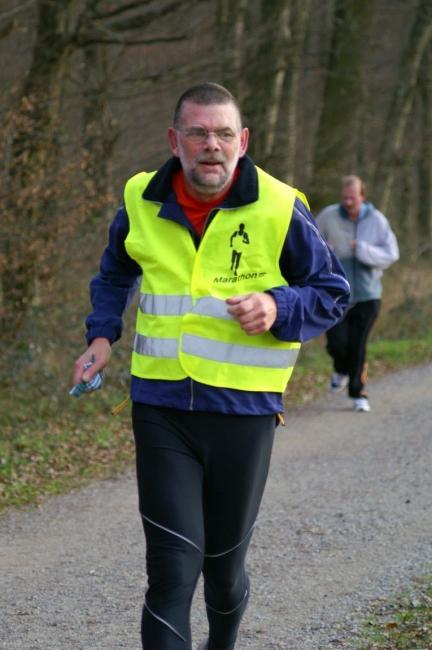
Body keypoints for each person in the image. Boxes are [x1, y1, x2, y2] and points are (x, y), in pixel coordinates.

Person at [72, 82, 350, 650]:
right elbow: (114, 271)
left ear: (242, 141)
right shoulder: (140, 199)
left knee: (223, 572)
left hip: (244, 414)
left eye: (224, 133)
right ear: (175, 140)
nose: (211, 145)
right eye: (197, 132)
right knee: (173, 569)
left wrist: (279, 305)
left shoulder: (278, 205)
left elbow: (332, 291)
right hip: (161, 407)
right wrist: (102, 334)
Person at [316, 175, 399, 413]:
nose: (348, 202)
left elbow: (392, 253)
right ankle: (340, 369)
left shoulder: (376, 220)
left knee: (358, 344)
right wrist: (325, 250)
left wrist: (362, 250)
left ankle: (358, 392)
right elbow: (310, 240)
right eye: (344, 198)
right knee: (336, 342)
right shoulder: (329, 216)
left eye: (352, 198)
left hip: (368, 293)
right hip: (336, 293)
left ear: (362, 196)